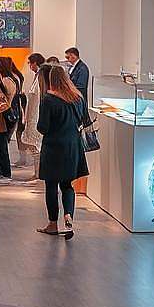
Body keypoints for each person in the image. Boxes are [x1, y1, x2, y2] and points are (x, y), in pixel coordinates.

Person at [35, 65, 89, 239]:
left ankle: (52, 224)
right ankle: (68, 217)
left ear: (51, 80)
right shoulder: (78, 98)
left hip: (53, 147)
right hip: (72, 146)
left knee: (51, 185)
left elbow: (43, 127)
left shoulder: (49, 100)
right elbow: (83, 120)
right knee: (67, 185)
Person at [0, 57, 22, 183]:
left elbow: (6, 100)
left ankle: (5, 172)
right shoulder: (3, 79)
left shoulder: (7, 80)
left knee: (1, 144)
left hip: (3, 116)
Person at [18, 53, 46, 179]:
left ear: (35, 63)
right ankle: (37, 172)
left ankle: (39, 173)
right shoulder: (37, 76)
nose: (29, 66)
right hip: (32, 114)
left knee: (36, 146)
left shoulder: (41, 76)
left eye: (30, 63)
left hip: (36, 115)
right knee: (34, 146)